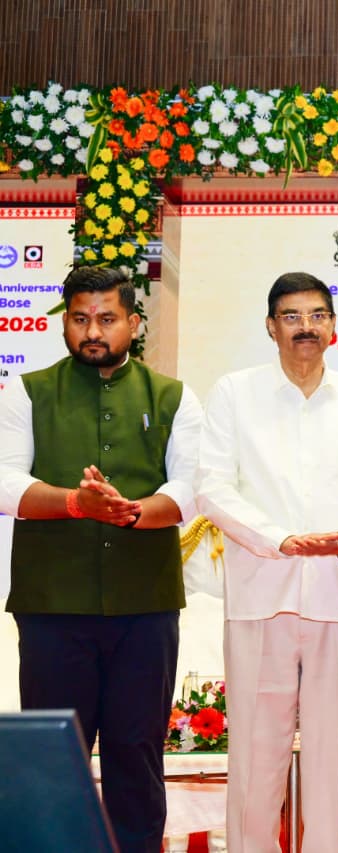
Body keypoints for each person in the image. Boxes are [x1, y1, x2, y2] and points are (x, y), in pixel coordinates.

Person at [196, 272, 338, 852]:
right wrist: (280, 539)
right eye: (291, 316)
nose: (305, 327)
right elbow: (214, 488)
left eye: (316, 315)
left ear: (333, 326)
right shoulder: (235, 394)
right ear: (270, 327)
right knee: (255, 763)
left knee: (334, 761)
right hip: (262, 598)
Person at [0, 266, 202, 853]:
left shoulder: (173, 394)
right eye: (81, 318)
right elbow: (6, 482)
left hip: (146, 608)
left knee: (136, 753)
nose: (94, 331)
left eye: (107, 319)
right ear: (65, 321)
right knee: (52, 759)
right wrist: (75, 502)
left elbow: (190, 488)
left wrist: (134, 512)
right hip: (51, 607)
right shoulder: (27, 390)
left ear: (133, 324)